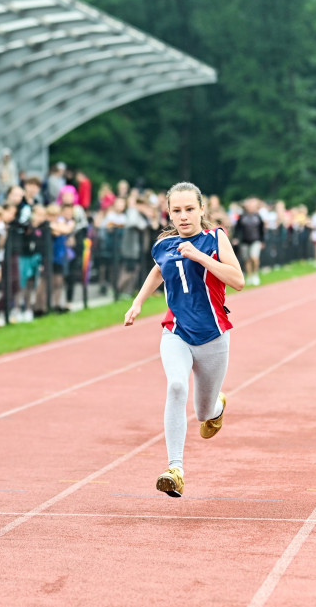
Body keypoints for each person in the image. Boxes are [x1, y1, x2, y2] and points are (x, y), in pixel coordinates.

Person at [123, 181, 244, 498]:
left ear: (202, 209)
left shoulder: (215, 238)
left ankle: (216, 405)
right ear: (169, 213)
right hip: (175, 331)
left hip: (213, 336)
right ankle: (174, 469)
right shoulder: (164, 244)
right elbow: (157, 272)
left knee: (203, 413)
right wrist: (137, 303)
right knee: (176, 385)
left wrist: (201, 257)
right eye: (176, 210)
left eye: (190, 209)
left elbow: (238, 281)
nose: (184, 216)